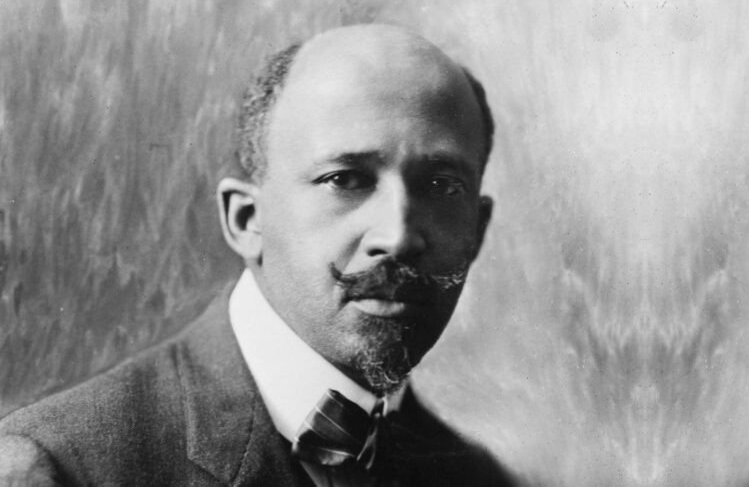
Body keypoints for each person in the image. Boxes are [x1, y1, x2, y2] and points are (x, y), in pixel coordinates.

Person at [0, 25, 514, 486]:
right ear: (246, 220)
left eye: (442, 185)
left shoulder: (475, 476)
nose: (398, 235)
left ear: (478, 231)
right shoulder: (55, 466)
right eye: (345, 180)